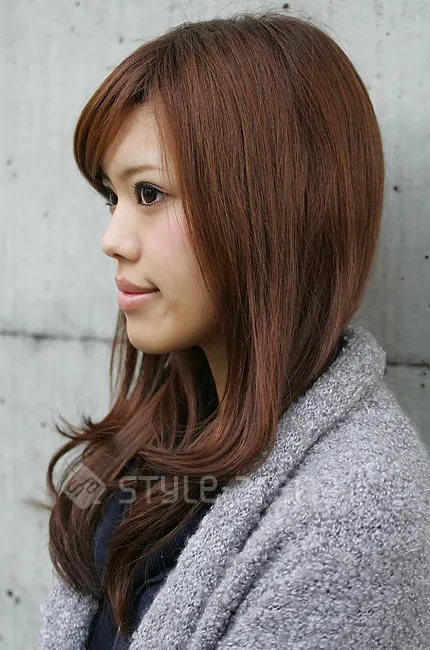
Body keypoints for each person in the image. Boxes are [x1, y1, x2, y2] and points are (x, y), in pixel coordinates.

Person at [35, 9, 430, 649]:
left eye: (149, 194)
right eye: (113, 196)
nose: (112, 239)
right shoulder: (159, 432)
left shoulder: (356, 516)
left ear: (271, 207)